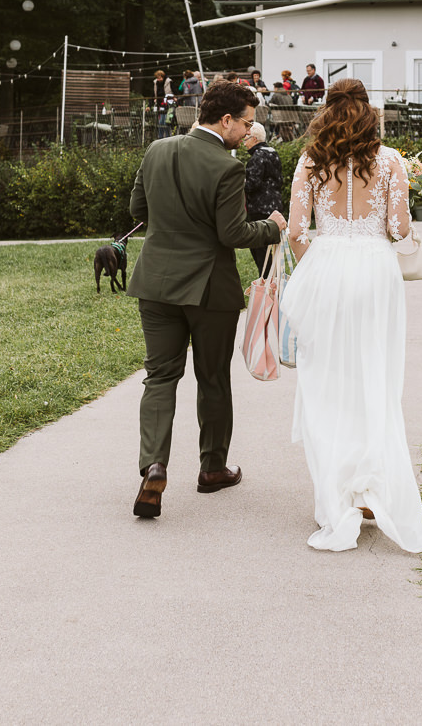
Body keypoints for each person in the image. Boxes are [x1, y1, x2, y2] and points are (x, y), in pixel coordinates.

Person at [126, 81, 286, 518]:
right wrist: (272, 226)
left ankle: (154, 466)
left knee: (159, 376)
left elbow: (138, 211)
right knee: (212, 376)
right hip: (208, 289)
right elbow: (232, 234)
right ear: (227, 119)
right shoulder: (227, 166)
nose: (250, 133)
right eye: (248, 124)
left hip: (156, 284)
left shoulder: (157, 150)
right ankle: (212, 470)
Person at [282, 79, 422, 554]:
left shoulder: (311, 160)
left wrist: (317, 271)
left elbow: (296, 231)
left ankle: (336, 497)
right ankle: (369, 491)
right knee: (374, 380)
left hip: (326, 268)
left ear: (326, 111)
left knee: (327, 386)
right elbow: (400, 228)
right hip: (373, 270)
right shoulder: (390, 162)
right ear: (369, 112)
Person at [241, 121, 282, 275]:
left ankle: (265, 283)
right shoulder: (273, 153)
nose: (244, 143)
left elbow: (252, 184)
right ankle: (274, 279)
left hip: (260, 208)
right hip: (275, 206)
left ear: (255, 139)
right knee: (273, 250)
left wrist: (241, 183)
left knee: (260, 251)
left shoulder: (257, 156)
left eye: (246, 139)